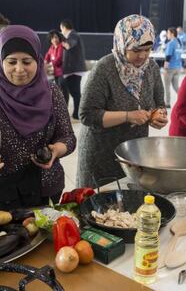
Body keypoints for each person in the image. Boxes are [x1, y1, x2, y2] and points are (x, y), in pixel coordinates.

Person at [76, 15, 168, 188]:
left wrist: (158, 116)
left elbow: (159, 103)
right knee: (100, 205)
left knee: (128, 203)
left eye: (148, 49)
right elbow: (87, 115)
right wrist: (128, 116)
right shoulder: (105, 68)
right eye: (136, 50)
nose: (142, 56)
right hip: (101, 153)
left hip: (134, 153)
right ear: (122, 43)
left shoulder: (152, 69)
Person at [0, 25, 76, 209]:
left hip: (46, 188)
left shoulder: (51, 92)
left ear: (38, 60)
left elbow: (68, 137)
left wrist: (56, 150)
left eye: (27, 61)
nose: (19, 69)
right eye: (11, 62)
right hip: (4, 194)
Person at [60, 19, 86, 120]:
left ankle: (77, 113)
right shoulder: (71, 35)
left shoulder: (73, 34)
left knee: (75, 92)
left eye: (61, 29)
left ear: (63, 27)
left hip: (74, 70)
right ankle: (76, 113)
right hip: (72, 70)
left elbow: (68, 45)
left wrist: (60, 42)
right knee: (73, 91)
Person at [163, 27, 183, 108]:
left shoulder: (171, 43)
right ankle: (184, 99)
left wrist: (165, 69)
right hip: (178, 67)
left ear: (172, 33)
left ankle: (167, 103)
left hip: (170, 67)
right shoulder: (179, 42)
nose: (167, 35)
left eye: (167, 33)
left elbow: (168, 57)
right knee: (176, 86)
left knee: (167, 86)